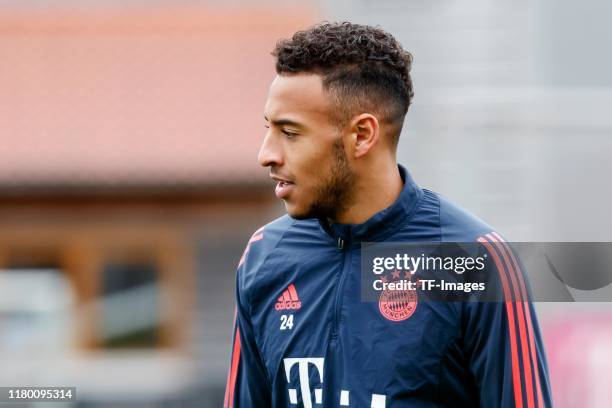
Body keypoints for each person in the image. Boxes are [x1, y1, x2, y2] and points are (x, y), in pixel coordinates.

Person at [224, 21, 552, 407]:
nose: (267, 154)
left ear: (363, 135)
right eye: (269, 129)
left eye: (290, 133)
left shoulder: (475, 262)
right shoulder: (264, 257)